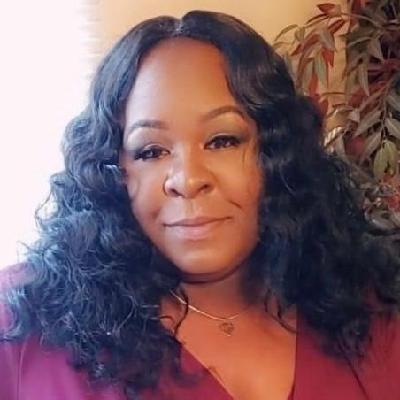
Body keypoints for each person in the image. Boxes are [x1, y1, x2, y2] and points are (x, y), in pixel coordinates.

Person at [0, 9, 399, 400]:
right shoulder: (21, 325)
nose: (188, 179)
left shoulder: (373, 306)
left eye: (222, 141)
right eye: (151, 151)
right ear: (113, 170)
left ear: (278, 154)